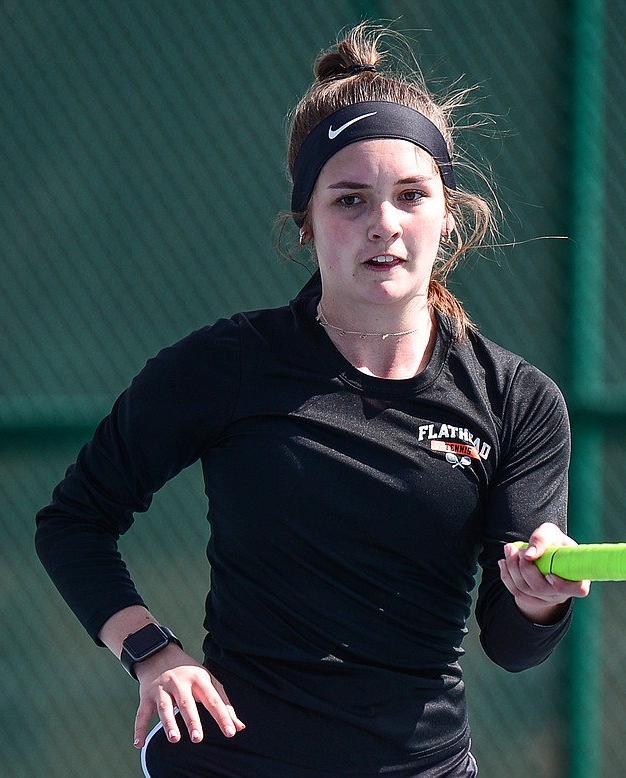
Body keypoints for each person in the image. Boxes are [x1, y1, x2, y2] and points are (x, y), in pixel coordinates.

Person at [35, 22, 590, 777]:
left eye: (410, 196)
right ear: (307, 222)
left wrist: (538, 598)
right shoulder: (225, 365)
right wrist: (149, 652)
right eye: (350, 200)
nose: (383, 225)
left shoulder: (518, 401)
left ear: (448, 215)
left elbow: (511, 646)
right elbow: (74, 521)